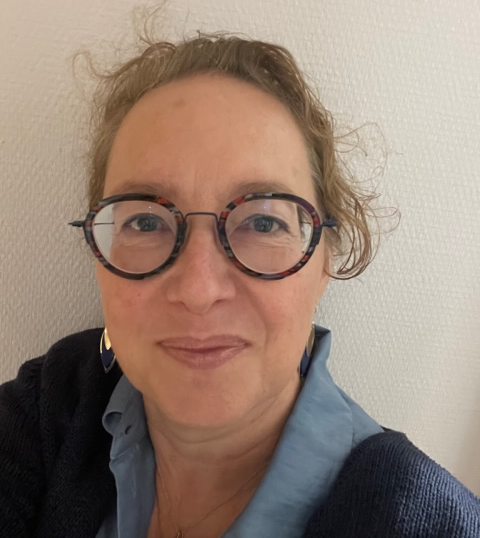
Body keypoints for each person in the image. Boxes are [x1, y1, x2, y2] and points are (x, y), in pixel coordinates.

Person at [1, 27, 479, 538]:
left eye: (264, 222)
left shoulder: (427, 522)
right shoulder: (52, 406)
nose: (198, 291)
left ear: (325, 259)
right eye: (145, 221)